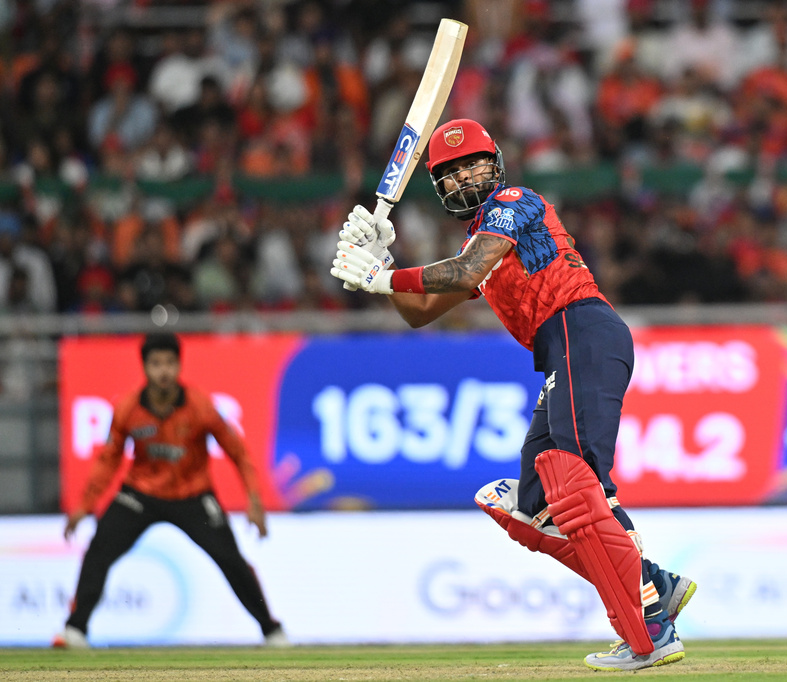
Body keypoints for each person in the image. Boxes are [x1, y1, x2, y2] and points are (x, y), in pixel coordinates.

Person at [330, 119, 696, 671]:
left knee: (576, 483)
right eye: (450, 174)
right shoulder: (480, 241)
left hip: (583, 329)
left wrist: (384, 278)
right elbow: (419, 313)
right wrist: (382, 263)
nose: (464, 177)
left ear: (495, 161)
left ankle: (647, 628)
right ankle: (652, 584)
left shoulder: (514, 201)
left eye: (472, 163)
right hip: (561, 350)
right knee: (533, 509)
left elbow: (465, 269)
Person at [53, 332, 287, 648]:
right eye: (156, 364)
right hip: (141, 494)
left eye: (169, 363)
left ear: (179, 365)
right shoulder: (127, 409)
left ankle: (272, 631)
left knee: (230, 559)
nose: (163, 371)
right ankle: (74, 630)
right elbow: (108, 460)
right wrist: (85, 505)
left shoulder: (200, 406)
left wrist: (254, 500)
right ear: (145, 368)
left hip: (193, 494)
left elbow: (238, 452)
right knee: (99, 550)